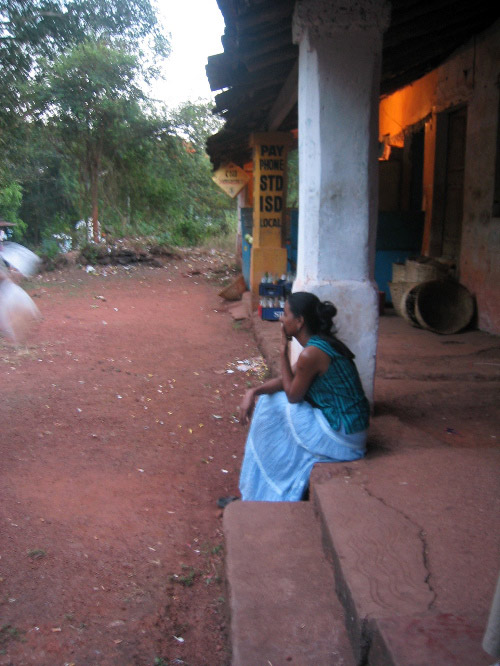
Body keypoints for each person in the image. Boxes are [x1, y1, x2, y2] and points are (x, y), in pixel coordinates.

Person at [236, 291, 370, 502]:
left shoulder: (311, 354)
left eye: (285, 314)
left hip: (344, 436)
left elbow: (292, 395)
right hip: (352, 431)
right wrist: (253, 391)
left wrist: (283, 352)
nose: (281, 319)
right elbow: (285, 380)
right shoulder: (317, 346)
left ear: (299, 322)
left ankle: (260, 491)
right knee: (269, 399)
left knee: (271, 404)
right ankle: (262, 488)